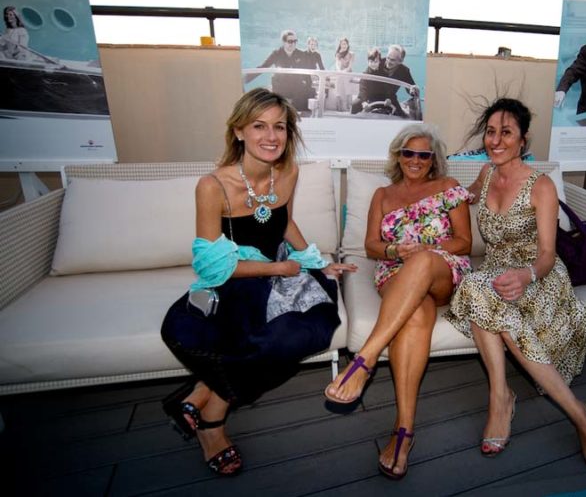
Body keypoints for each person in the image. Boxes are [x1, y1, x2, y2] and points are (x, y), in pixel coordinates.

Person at [160, 88, 357, 476]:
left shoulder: (288, 171)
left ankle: (205, 392)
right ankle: (213, 425)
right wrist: (278, 270)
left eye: (279, 127)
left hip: (279, 269)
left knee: (314, 326)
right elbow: (213, 268)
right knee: (233, 331)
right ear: (238, 132)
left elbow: (284, 223)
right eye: (259, 126)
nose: (271, 136)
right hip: (236, 277)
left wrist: (314, 262)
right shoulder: (212, 186)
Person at [446, 98, 586, 477]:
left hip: (538, 277)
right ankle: (503, 397)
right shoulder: (487, 173)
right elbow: (466, 195)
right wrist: (438, 195)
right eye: (491, 132)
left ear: (523, 140)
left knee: (478, 292)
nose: (495, 140)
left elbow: (547, 256)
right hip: (495, 275)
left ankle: (575, 415)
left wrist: (525, 276)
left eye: (506, 132)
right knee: (480, 288)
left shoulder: (541, 186)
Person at [323, 124, 472, 480]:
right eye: (409, 153)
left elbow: (464, 242)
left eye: (424, 155)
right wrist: (394, 251)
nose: (415, 160)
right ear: (398, 156)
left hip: (442, 270)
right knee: (416, 315)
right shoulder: (382, 195)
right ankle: (404, 431)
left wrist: (423, 250)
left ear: (433, 159)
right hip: (394, 273)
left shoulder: (448, 187)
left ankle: (364, 360)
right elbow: (372, 246)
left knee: (422, 261)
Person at [246, 30, 313, 112]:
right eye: (290, 41)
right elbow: (263, 67)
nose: (293, 44)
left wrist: (308, 86)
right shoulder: (276, 54)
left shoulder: (301, 54)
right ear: (284, 42)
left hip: (296, 86)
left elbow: (307, 73)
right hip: (280, 86)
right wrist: (246, 79)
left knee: (305, 97)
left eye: (295, 41)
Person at [350, 47, 395, 115]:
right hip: (367, 98)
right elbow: (362, 90)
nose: (373, 64)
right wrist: (364, 102)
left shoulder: (384, 74)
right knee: (355, 104)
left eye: (375, 61)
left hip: (380, 98)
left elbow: (388, 89)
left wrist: (388, 99)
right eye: (371, 61)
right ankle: (353, 119)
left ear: (379, 62)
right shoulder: (365, 74)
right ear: (367, 62)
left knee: (391, 106)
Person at [383, 44, 421, 119]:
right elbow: (365, 81)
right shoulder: (377, 62)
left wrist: (414, 90)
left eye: (392, 60)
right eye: (388, 58)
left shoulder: (404, 71)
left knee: (404, 118)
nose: (388, 61)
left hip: (391, 99)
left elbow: (411, 88)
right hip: (372, 98)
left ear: (400, 61)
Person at [332, 37, 356, 111]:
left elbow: (350, 66)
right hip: (340, 74)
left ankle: (349, 106)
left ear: (348, 45)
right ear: (340, 45)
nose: (344, 45)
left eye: (345, 44)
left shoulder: (351, 54)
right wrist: (340, 72)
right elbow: (337, 65)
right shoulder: (338, 54)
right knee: (338, 82)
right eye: (342, 44)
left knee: (346, 82)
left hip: (348, 74)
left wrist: (344, 72)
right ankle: (339, 106)